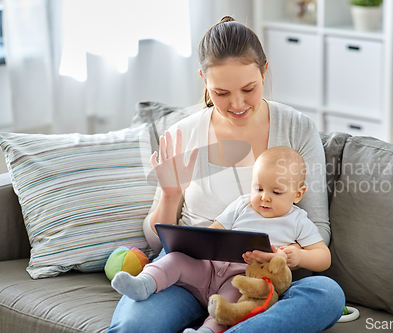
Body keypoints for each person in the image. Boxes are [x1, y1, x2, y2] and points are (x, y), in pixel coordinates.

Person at [108, 16, 345, 333]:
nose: (237, 104)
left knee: (327, 294)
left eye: (249, 89)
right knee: (132, 329)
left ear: (263, 72)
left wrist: (288, 255)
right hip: (190, 271)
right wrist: (170, 194)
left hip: (257, 280)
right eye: (221, 93)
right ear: (203, 79)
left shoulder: (297, 128)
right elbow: (156, 239)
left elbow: (319, 230)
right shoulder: (184, 133)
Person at [111, 146, 331, 333]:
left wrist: (299, 256)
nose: (264, 197)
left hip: (239, 280)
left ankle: (207, 330)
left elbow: (324, 257)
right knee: (175, 259)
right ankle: (143, 283)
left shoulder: (298, 220)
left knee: (229, 305)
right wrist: (193, 241)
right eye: (259, 188)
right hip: (208, 268)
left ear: (298, 194)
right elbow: (214, 232)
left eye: (276, 192)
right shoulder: (242, 205)